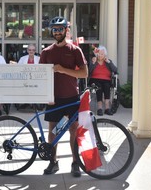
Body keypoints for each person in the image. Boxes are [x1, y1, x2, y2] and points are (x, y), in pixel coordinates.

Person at [39, 16, 88, 177]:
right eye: (55, 29)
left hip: (71, 97)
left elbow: (84, 73)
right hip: (53, 98)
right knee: (53, 131)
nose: (57, 32)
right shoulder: (46, 52)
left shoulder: (75, 50)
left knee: (73, 130)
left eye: (60, 29)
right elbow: (40, 75)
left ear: (66, 30)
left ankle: (76, 163)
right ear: (51, 31)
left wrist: (62, 69)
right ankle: (53, 162)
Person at [88, 45, 117, 116]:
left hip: (106, 80)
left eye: (102, 54)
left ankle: (107, 108)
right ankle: (100, 109)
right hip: (95, 80)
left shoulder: (108, 62)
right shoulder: (94, 61)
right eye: (99, 54)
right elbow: (89, 71)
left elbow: (115, 70)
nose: (100, 55)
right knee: (99, 87)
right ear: (96, 54)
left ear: (105, 55)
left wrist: (109, 62)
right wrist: (93, 63)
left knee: (107, 86)